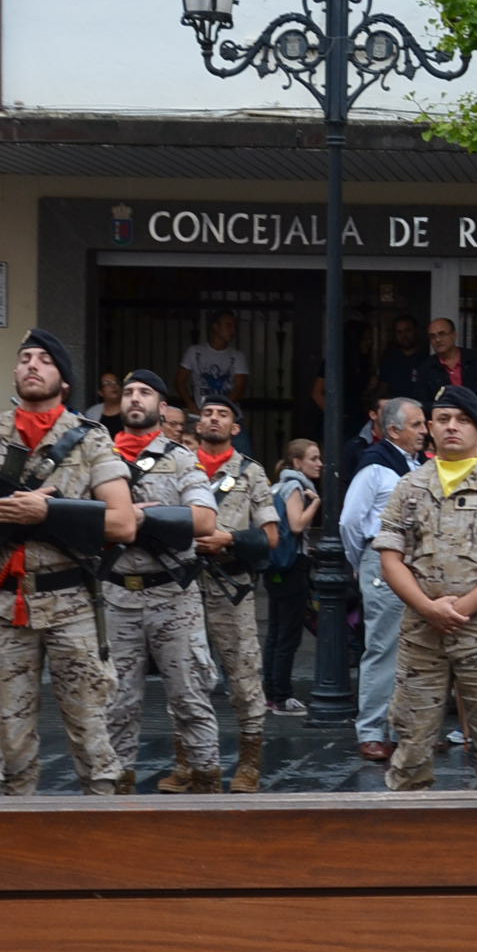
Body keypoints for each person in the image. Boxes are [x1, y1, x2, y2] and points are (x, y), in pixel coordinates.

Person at [0, 329, 139, 795]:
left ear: (63, 380)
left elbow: (124, 523)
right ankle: (18, 839)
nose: (32, 364)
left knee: (92, 735)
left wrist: (48, 512)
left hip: (72, 601)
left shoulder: (90, 440)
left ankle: (103, 836)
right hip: (6, 607)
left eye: (45, 359)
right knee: (11, 742)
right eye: (25, 357)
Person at [374, 385, 477, 791]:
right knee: (411, 744)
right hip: (422, 637)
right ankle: (412, 841)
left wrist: (459, 608)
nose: (451, 427)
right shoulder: (409, 487)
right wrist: (428, 609)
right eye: (443, 419)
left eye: (462, 420)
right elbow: (390, 557)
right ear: (429, 427)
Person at [102, 372, 223, 794]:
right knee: (117, 705)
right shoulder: (97, 457)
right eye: (129, 392)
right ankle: (117, 797)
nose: (135, 398)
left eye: (145, 393)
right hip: (117, 595)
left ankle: (208, 790)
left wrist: (142, 517)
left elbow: (206, 520)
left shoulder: (181, 459)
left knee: (190, 700)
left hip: (172, 596)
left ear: (163, 407)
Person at [192, 393, 280, 790]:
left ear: (235, 428)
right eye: (207, 414)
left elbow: (270, 537)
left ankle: (249, 763)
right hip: (182, 585)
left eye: (222, 415)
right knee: (186, 677)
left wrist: (228, 538)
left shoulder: (251, 473)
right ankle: (189, 763)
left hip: (231, 587)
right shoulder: (178, 465)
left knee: (244, 676)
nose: (213, 419)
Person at [344, 396, 429, 762]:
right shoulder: (375, 468)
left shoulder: (415, 465)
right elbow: (350, 521)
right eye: (417, 425)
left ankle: (405, 730)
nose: (425, 431)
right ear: (393, 430)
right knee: (384, 647)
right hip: (383, 563)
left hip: (414, 564)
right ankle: (373, 730)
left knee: (417, 650)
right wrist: (362, 561)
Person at [263, 438, 322, 716]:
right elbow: (297, 524)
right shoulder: (296, 487)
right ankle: (283, 696)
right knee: (288, 634)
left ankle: (270, 693)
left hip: (274, 565)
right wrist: (316, 503)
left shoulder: (276, 485)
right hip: (292, 566)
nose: (319, 464)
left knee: (275, 632)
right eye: (313, 458)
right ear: (297, 462)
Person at [181, 310, 249, 409]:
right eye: (228, 326)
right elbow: (179, 381)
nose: (233, 331)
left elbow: (240, 387)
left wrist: (222, 409)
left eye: (234, 327)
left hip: (227, 414)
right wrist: (191, 405)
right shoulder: (194, 352)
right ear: (216, 327)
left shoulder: (238, 356)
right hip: (201, 412)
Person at [374, 314, 436, 405]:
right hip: (395, 410)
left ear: (416, 331)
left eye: (408, 330)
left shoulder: (427, 358)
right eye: (399, 332)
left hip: (420, 409)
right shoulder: (389, 359)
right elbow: (383, 388)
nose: (404, 336)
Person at [426, 316, 477, 397]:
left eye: (442, 334)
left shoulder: (476, 359)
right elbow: (423, 401)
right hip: (442, 409)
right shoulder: (426, 368)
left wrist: (475, 408)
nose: (437, 340)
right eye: (432, 336)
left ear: (454, 335)